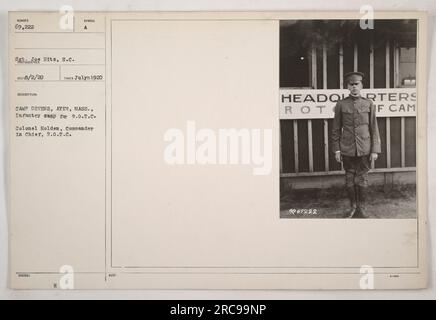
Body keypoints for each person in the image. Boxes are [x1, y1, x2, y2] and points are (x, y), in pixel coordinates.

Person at [331, 71, 381, 218]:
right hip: (347, 149)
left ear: (361, 85)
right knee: (349, 177)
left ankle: (362, 208)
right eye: (351, 84)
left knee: (363, 177)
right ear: (347, 86)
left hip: (365, 148)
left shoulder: (368, 103)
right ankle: (353, 207)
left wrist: (375, 150)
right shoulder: (341, 104)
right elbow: (335, 129)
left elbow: (374, 128)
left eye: (356, 84)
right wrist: (337, 150)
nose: (354, 87)